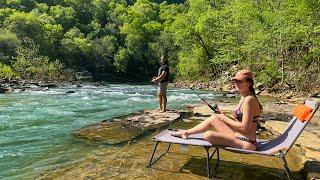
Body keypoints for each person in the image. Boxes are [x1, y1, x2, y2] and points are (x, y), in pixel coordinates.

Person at [172, 69, 262, 150]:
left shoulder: (249, 100)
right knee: (215, 117)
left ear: (249, 83)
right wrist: (224, 116)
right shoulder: (244, 97)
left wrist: (223, 118)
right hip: (238, 136)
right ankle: (186, 132)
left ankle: (247, 146)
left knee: (208, 135)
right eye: (235, 81)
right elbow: (240, 121)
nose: (237, 83)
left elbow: (245, 128)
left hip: (246, 142)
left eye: (240, 81)